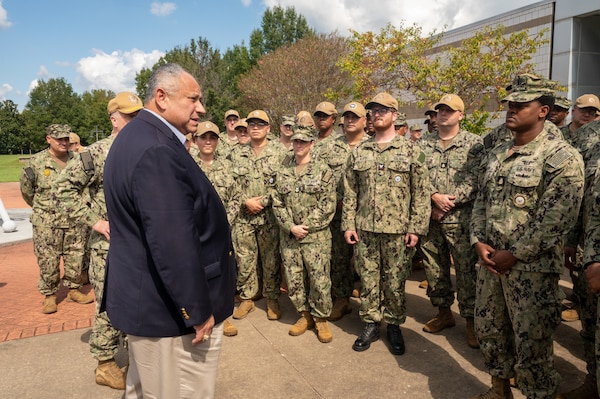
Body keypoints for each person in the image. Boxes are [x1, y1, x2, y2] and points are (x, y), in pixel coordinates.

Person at [102, 63, 236, 398]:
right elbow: (172, 241)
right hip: (170, 317)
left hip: (151, 304)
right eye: (193, 98)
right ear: (161, 97)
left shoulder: (137, 136)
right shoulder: (158, 149)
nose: (201, 108)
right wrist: (198, 309)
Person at [469, 74, 584, 399]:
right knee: (491, 334)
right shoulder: (497, 153)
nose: (512, 109)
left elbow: (556, 220)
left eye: (522, 104)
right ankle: (498, 390)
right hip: (490, 267)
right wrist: (478, 241)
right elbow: (481, 201)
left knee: (532, 349)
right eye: (510, 103)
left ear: (544, 110)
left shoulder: (561, 158)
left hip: (530, 273)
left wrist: (515, 254)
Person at [53, 91, 142, 390]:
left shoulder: (144, 148)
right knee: (108, 302)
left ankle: (135, 358)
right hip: (108, 247)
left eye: (138, 115)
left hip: (140, 245)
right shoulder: (96, 154)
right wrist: (95, 221)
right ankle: (105, 364)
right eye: (129, 116)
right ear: (114, 119)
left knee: (138, 301)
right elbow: (62, 189)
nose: (134, 121)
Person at [342, 92, 431, 356]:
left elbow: (421, 193)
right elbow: (350, 192)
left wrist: (416, 228)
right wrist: (348, 224)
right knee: (368, 281)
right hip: (365, 230)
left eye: (383, 110)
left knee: (394, 282)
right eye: (373, 111)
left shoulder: (412, 150)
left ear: (395, 115)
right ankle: (370, 323)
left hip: (398, 232)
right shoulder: (360, 151)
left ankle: (393, 324)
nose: (377, 114)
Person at [418, 94, 483, 349]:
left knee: (466, 273)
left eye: (449, 110)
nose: (443, 114)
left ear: (460, 115)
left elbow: (477, 179)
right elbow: (418, 176)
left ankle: (470, 321)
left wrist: (449, 202)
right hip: (431, 219)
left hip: (461, 221)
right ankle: (443, 312)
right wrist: (434, 197)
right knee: (435, 269)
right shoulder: (423, 144)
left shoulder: (474, 144)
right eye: (440, 110)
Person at [20, 123, 94, 315]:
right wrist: (45, 209)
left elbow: (88, 186)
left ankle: (73, 290)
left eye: (66, 138)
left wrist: (82, 205)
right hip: (47, 223)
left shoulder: (78, 160)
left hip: (74, 221)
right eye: (59, 139)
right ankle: (50, 295)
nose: (63, 142)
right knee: (48, 260)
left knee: (75, 258)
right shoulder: (35, 162)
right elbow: (28, 192)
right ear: (48, 140)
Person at [272, 125, 336, 342]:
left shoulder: (323, 170)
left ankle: (320, 318)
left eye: (303, 141)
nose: (298, 145)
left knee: (319, 278)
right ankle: (304, 314)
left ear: (312, 143)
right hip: (290, 236)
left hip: (315, 237)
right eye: (296, 141)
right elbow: (277, 201)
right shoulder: (283, 169)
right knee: (294, 278)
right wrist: (290, 226)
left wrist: (306, 226)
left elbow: (328, 204)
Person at [229, 110, 286, 321]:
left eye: (260, 124)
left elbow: (284, 183)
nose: (255, 127)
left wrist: (263, 201)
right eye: (251, 123)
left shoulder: (280, 152)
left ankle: (272, 298)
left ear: (268, 128)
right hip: (244, 217)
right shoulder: (236, 154)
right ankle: (247, 298)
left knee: (270, 258)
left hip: (269, 216)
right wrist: (245, 201)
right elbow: (230, 184)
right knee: (245, 258)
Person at [191, 121, 241, 338]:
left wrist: (222, 221)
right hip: (197, 232)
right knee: (198, 273)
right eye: (203, 137)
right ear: (196, 140)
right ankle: (200, 315)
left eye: (212, 138)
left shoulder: (227, 166)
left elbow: (236, 196)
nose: (208, 142)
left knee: (222, 274)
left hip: (221, 232)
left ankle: (222, 316)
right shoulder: (188, 166)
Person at [323, 101, 369, 321]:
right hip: (336, 214)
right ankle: (342, 299)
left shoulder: (371, 146)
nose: (350, 121)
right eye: (347, 117)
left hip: (365, 216)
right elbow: (321, 179)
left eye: (355, 117)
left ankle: (371, 305)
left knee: (366, 262)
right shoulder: (330, 146)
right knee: (339, 259)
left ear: (364, 121)